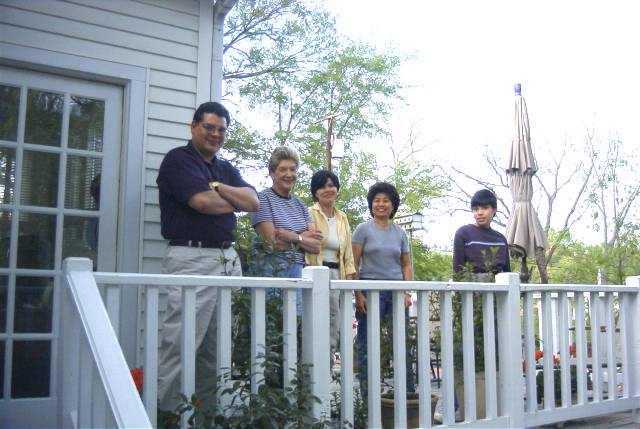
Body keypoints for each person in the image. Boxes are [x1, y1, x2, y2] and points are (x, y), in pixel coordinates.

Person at [155, 101, 259, 412]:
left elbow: (253, 201)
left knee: (216, 349)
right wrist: (232, 199)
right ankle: (163, 416)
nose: (215, 134)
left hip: (225, 261)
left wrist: (220, 188)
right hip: (191, 258)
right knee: (181, 344)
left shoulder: (223, 168)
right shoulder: (178, 160)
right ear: (194, 126)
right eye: (209, 127)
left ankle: (208, 416)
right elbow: (202, 202)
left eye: (221, 130)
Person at [352, 182, 414, 397]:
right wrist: (358, 294)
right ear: (371, 204)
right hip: (370, 292)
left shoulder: (401, 233)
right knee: (368, 344)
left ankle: (407, 395)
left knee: (402, 343)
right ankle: (368, 397)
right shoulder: (362, 230)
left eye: (385, 200)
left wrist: (407, 292)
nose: (381, 204)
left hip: (396, 292)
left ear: (392, 205)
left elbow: (406, 265)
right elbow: (354, 264)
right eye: (377, 200)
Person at [251, 146, 322, 312]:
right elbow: (271, 243)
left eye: (293, 169)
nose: (289, 174)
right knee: (268, 326)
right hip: (270, 269)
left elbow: (316, 246)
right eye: (283, 169)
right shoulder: (262, 199)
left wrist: (290, 236)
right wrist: (302, 238)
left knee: (293, 326)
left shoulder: (300, 205)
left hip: (297, 271)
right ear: (272, 173)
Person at [305, 170, 357, 359]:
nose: (328, 189)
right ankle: (310, 371)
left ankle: (325, 369)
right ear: (315, 191)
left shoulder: (342, 217)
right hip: (315, 273)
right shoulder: (309, 213)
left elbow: (348, 254)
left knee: (334, 324)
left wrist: (350, 282)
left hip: (338, 275)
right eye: (322, 186)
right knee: (314, 322)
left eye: (331, 185)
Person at [452, 189, 510, 280]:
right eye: (476, 209)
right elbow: (457, 272)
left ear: (494, 210)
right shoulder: (463, 233)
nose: (479, 213)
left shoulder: (501, 240)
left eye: (485, 208)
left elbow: (507, 274)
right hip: (471, 291)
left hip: (498, 291)